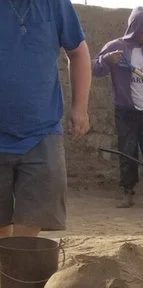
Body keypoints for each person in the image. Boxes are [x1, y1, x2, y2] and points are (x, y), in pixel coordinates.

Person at [0, 0, 91, 237]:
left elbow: (78, 52)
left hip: (42, 131)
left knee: (30, 226)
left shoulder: (56, 4)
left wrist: (79, 108)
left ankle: (19, 267)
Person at [92, 7, 143, 210]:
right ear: (136, 27)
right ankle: (127, 192)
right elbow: (94, 68)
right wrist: (106, 60)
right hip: (125, 111)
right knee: (127, 152)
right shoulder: (116, 47)